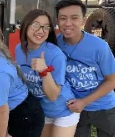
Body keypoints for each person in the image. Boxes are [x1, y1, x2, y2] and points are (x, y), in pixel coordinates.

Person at [55, 0, 115, 137]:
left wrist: (85, 101)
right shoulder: (55, 44)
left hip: (104, 106)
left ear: (83, 20)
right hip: (73, 108)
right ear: (57, 21)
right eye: (63, 18)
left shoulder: (99, 46)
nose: (68, 23)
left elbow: (112, 80)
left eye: (74, 18)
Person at [15, 9, 79, 137]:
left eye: (46, 27)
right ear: (26, 25)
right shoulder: (19, 49)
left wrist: (44, 71)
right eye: (36, 25)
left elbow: (53, 96)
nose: (41, 30)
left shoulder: (55, 55)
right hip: (41, 110)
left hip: (63, 110)